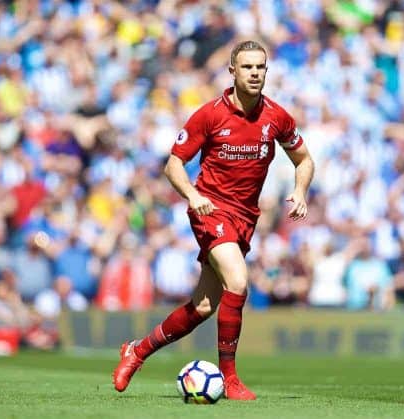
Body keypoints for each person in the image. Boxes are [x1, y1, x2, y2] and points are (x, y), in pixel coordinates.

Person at [112, 40, 314, 400]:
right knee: (238, 281)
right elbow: (173, 164)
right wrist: (193, 195)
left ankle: (137, 351)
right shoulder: (209, 115)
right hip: (210, 210)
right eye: (248, 67)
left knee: (203, 307)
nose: (255, 73)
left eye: (260, 67)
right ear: (232, 71)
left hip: (245, 217)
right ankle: (230, 378)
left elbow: (304, 160)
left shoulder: (277, 117)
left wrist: (300, 191)